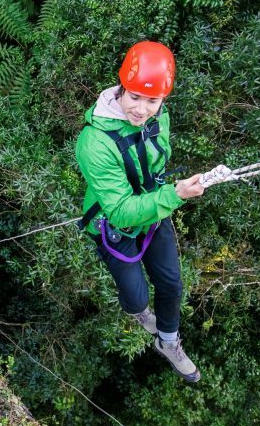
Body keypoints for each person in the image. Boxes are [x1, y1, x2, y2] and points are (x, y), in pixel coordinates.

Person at [75, 41, 206, 383]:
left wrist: (168, 193)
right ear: (121, 89)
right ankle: (140, 314)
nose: (142, 109)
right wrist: (175, 194)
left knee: (172, 284)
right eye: (135, 97)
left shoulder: (160, 117)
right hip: (113, 224)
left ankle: (168, 342)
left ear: (163, 100)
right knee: (135, 296)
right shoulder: (94, 142)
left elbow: (157, 159)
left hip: (154, 207)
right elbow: (119, 210)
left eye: (152, 100)